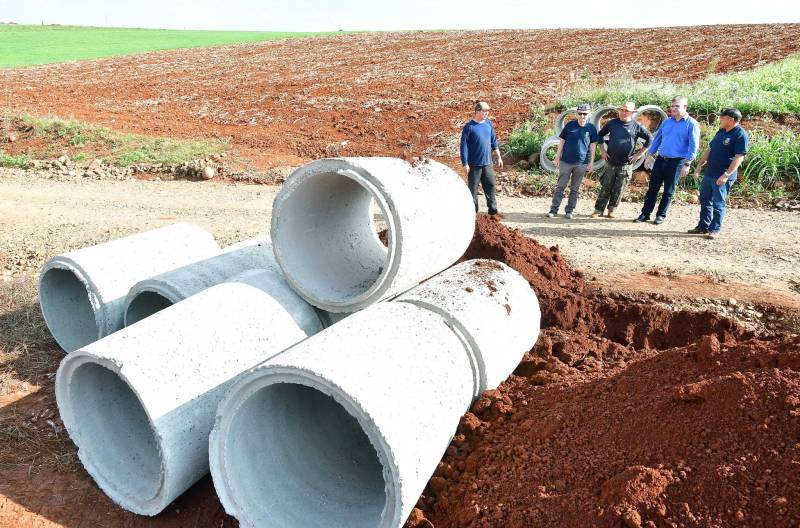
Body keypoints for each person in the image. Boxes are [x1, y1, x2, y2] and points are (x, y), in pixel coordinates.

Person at [636, 96, 700, 225]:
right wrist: (649, 156)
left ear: (685, 107)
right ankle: (645, 214)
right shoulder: (667, 122)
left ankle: (661, 215)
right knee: (652, 188)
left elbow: (694, 146)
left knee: (668, 191)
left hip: (677, 162)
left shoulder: (691, 124)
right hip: (661, 160)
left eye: (677, 106)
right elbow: (657, 139)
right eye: (673, 106)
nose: (674, 108)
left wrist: (687, 164)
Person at [688, 108, 748, 239]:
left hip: (723, 175)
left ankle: (714, 229)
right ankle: (703, 226)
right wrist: (699, 165)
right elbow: (710, 149)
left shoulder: (740, 134)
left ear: (731, 120)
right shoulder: (721, 131)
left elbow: (739, 157)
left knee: (718, 203)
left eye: (722, 117)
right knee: (705, 200)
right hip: (710, 173)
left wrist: (726, 175)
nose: (719, 119)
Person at [592, 101, 653, 218]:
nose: (624, 112)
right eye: (622, 110)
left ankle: (612, 210)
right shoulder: (612, 123)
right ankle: (598, 210)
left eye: (627, 111)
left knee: (619, 188)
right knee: (606, 186)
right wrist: (603, 151)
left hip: (625, 164)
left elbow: (650, 138)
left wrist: (639, 154)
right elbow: (600, 135)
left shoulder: (636, 126)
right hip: (610, 162)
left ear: (631, 113)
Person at [548, 103, 598, 219]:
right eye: (580, 113)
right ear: (576, 114)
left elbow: (593, 146)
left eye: (584, 114)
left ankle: (569, 211)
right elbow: (562, 141)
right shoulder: (570, 125)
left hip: (581, 164)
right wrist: (557, 157)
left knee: (575, 189)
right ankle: (553, 210)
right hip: (566, 162)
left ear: (589, 115)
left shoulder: (591, 128)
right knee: (560, 186)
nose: (582, 116)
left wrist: (591, 162)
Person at [460, 101, 503, 215]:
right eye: (484, 111)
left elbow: (493, 141)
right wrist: (465, 164)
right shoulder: (469, 127)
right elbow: (463, 146)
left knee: (491, 186)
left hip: (487, 163)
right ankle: (473, 214)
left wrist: (499, 156)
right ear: (477, 111)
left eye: (488, 111)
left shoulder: (488, 124)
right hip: (474, 165)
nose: (487, 113)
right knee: (473, 190)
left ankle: (493, 211)